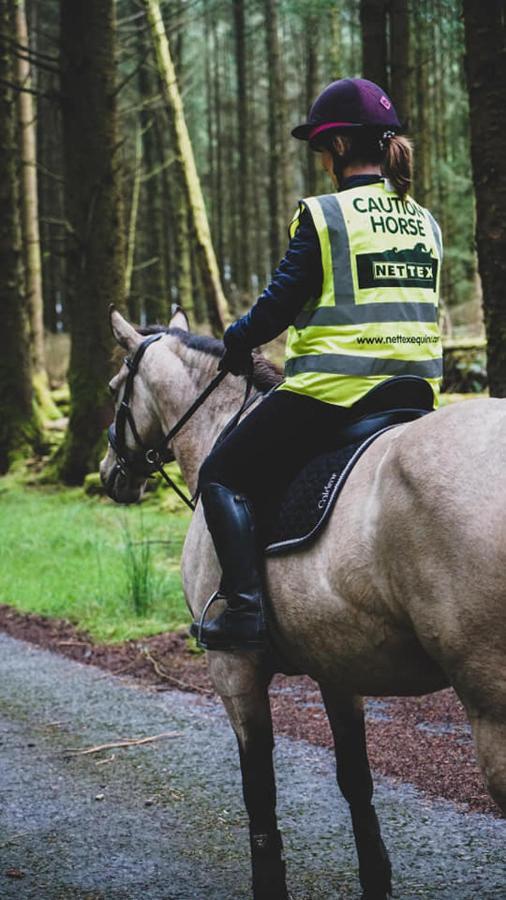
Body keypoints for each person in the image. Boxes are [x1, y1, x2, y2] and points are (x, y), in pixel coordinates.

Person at [190, 77, 443, 652]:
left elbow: (280, 304)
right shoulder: (424, 221)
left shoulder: (325, 216)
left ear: (336, 150)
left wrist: (237, 339)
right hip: (415, 393)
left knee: (220, 474)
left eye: (320, 150)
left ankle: (246, 610)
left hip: (336, 392)